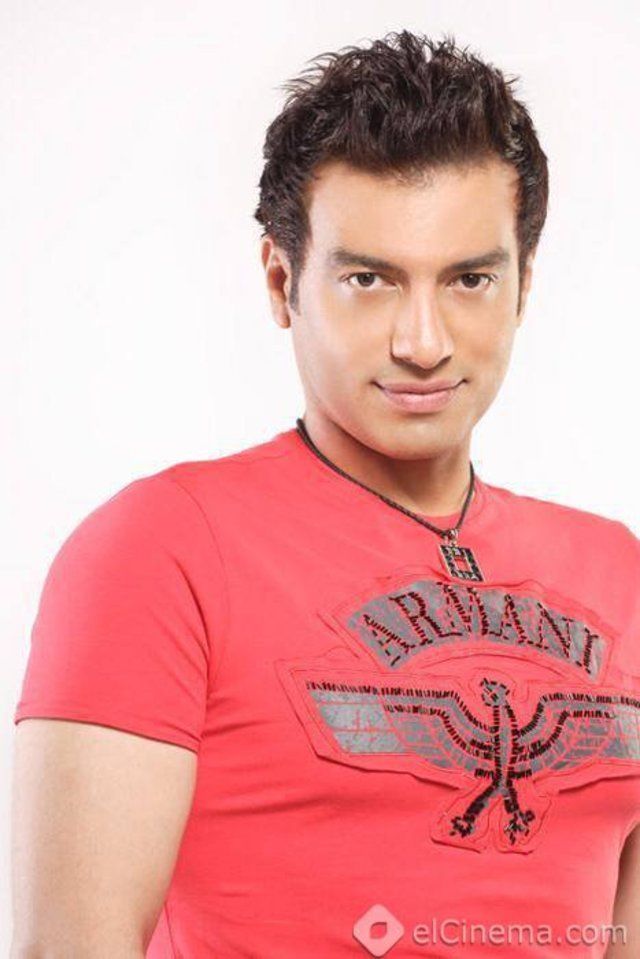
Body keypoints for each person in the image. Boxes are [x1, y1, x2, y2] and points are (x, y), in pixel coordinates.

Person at [10, 28, 640, 959]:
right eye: (369, 279)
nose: (423, 341)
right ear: (282, 280)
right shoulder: (163, 549)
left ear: (522, 286)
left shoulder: (619, 570)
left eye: (469, 279)